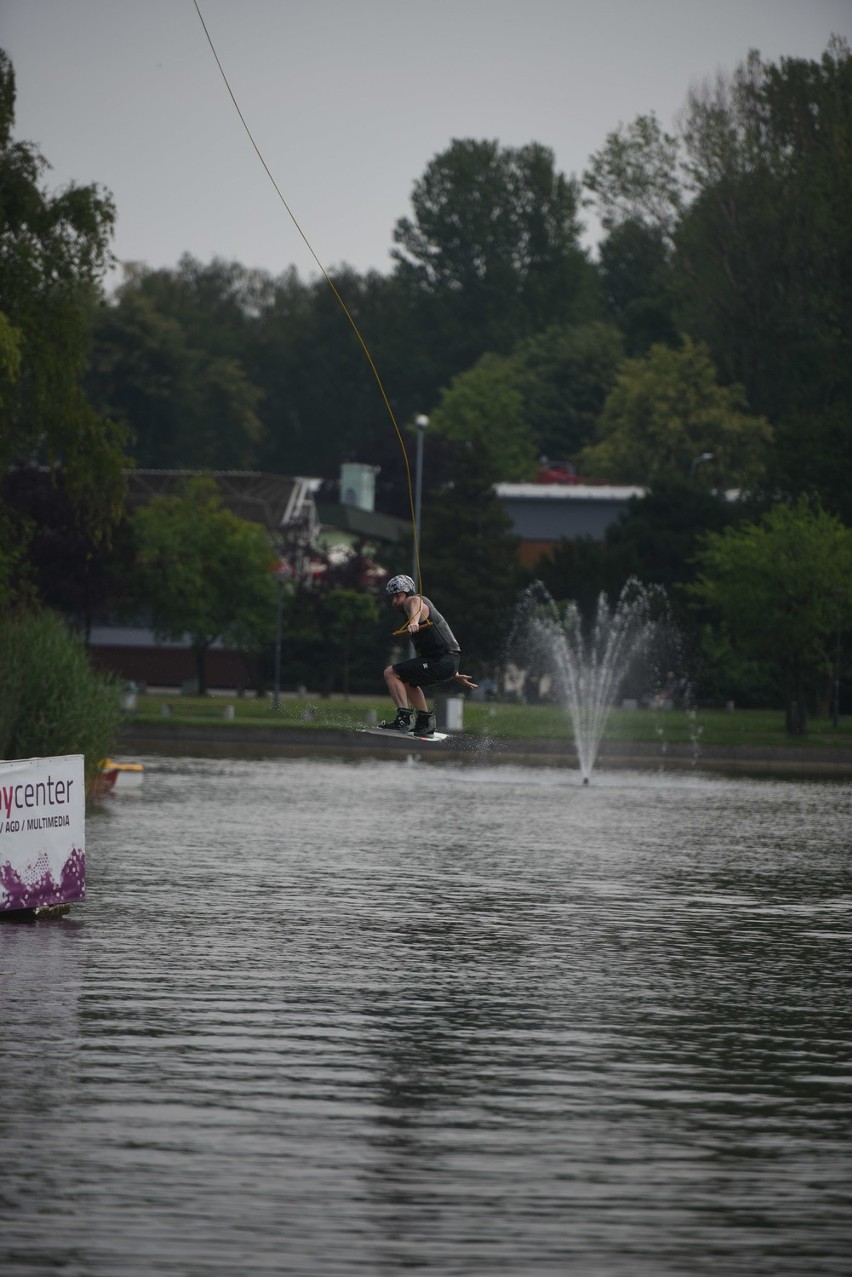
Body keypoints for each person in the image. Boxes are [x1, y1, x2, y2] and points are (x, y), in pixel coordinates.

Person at [380, 574, 478, 736]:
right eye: (392, 598)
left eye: (398, 596)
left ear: (407, 593)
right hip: (447, 662)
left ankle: (403, 719)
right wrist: (454, 673)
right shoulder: (412, 608)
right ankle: (425, 722)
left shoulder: (413, 601)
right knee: (408, 681)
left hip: (442, 660)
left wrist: (413, 622)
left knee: (391, 673)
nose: (395, 601)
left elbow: (416, 603)